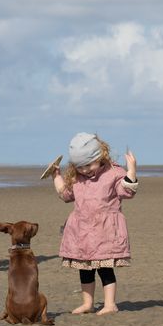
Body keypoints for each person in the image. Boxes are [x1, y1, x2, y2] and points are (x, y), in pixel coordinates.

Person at [53, 132, 138, 315]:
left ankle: (110, 305)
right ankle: (87, 303)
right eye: (80, 167)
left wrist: (131, 170)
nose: (85, 170)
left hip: (105, 230)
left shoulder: (114, 173)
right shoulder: (76, 177)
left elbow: (127, 192)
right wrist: (56, 176)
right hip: (81, 231)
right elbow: (66, 195)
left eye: (89, 165)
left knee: (105, 269)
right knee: (85, 269)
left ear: (100, 157)